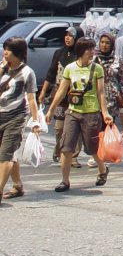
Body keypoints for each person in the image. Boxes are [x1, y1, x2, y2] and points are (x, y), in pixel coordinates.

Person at [45, 37, 113, 192]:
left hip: (91, 113)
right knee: (66, 147)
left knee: (91, 148)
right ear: (81, 51)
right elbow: (62, 91)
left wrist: (105, 112)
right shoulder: (70, 68)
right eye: (88, 49)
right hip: (73, 112)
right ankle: (65, 181)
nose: (92, 52)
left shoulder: (97, 69)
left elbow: (101, 93)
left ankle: (102, 170)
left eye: (92, 49)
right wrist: (50, 110)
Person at [0, 37, 42, 202]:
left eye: (8, 50)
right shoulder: (2, 68)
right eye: (5, 49)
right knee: (8, 154)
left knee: (5, 155)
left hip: (16, 117)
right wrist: (3, 68)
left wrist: (35, 120)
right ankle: (17, 185)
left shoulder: (27, 72)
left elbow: (31, 98)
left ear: (17, 53)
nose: (5, 52)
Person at [38, 25, 82, 163]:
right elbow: (51, 73)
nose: (67, 38)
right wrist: (43, 92)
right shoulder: (59, 53)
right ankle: (59, 149)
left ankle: (73, 156)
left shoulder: (81, 55)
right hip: (59, 94)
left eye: (71, 36)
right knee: (59, 128)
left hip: (76, 94)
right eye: (66, 35)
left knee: (75, 127)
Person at [88, 34, 123, 168]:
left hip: (112, 97)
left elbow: (122, 78)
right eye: (102, 42)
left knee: (107, 126)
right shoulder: (93, 59)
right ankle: (97, 154)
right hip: (96, 96)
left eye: (107, 43)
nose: (104, 45)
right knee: (97, 127)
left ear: (112, 45)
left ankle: (106, 154)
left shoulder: (117, 59)